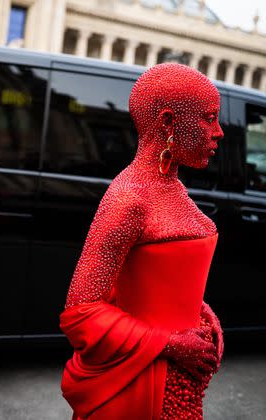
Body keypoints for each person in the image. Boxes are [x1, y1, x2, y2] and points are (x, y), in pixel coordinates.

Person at [59, 63, 225, 419]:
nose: (219, 132)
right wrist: (171, 344)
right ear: (167, 122)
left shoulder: (174, 186)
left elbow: (160, 282)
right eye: (209, 118)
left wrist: (202, 316)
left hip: (177, 385)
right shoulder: (129, 198)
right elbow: (79, 312)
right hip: (139, 389)